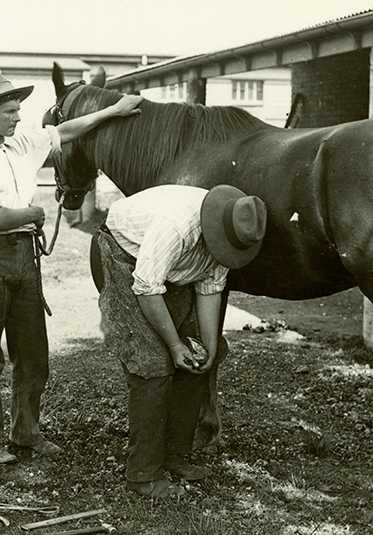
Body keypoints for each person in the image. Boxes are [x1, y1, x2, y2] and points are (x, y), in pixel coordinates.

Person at [0, 69, 143, 464]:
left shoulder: (22, 143)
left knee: (33, 350)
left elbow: (70, 128)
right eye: (10, 111)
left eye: (18, 110)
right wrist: (32, 213)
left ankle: (26, 431)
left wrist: (115, 108)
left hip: (25, 254)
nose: (18, 118)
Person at [92, 184, 267, 498]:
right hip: (124, 258)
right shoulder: (176, 225)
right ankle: (143, 473)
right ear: (212, 231)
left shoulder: (232, 232)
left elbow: (210, 288)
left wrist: (209, 347)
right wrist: (173, 345)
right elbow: (146, 285)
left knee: (196, 355)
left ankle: (175, 454)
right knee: (152, 361)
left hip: (169, 272)